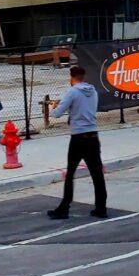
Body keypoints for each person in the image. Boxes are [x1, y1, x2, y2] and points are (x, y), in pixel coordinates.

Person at [47, 64, 107, 219]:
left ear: (71, 77)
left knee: (71, 173)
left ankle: (64, 208)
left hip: (78, 138)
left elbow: (57, 114)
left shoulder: (72, 92)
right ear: (84, 76)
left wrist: (53, 107)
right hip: (93, 136)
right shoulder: (93, 91)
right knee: (97, 174)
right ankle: (101, 208)